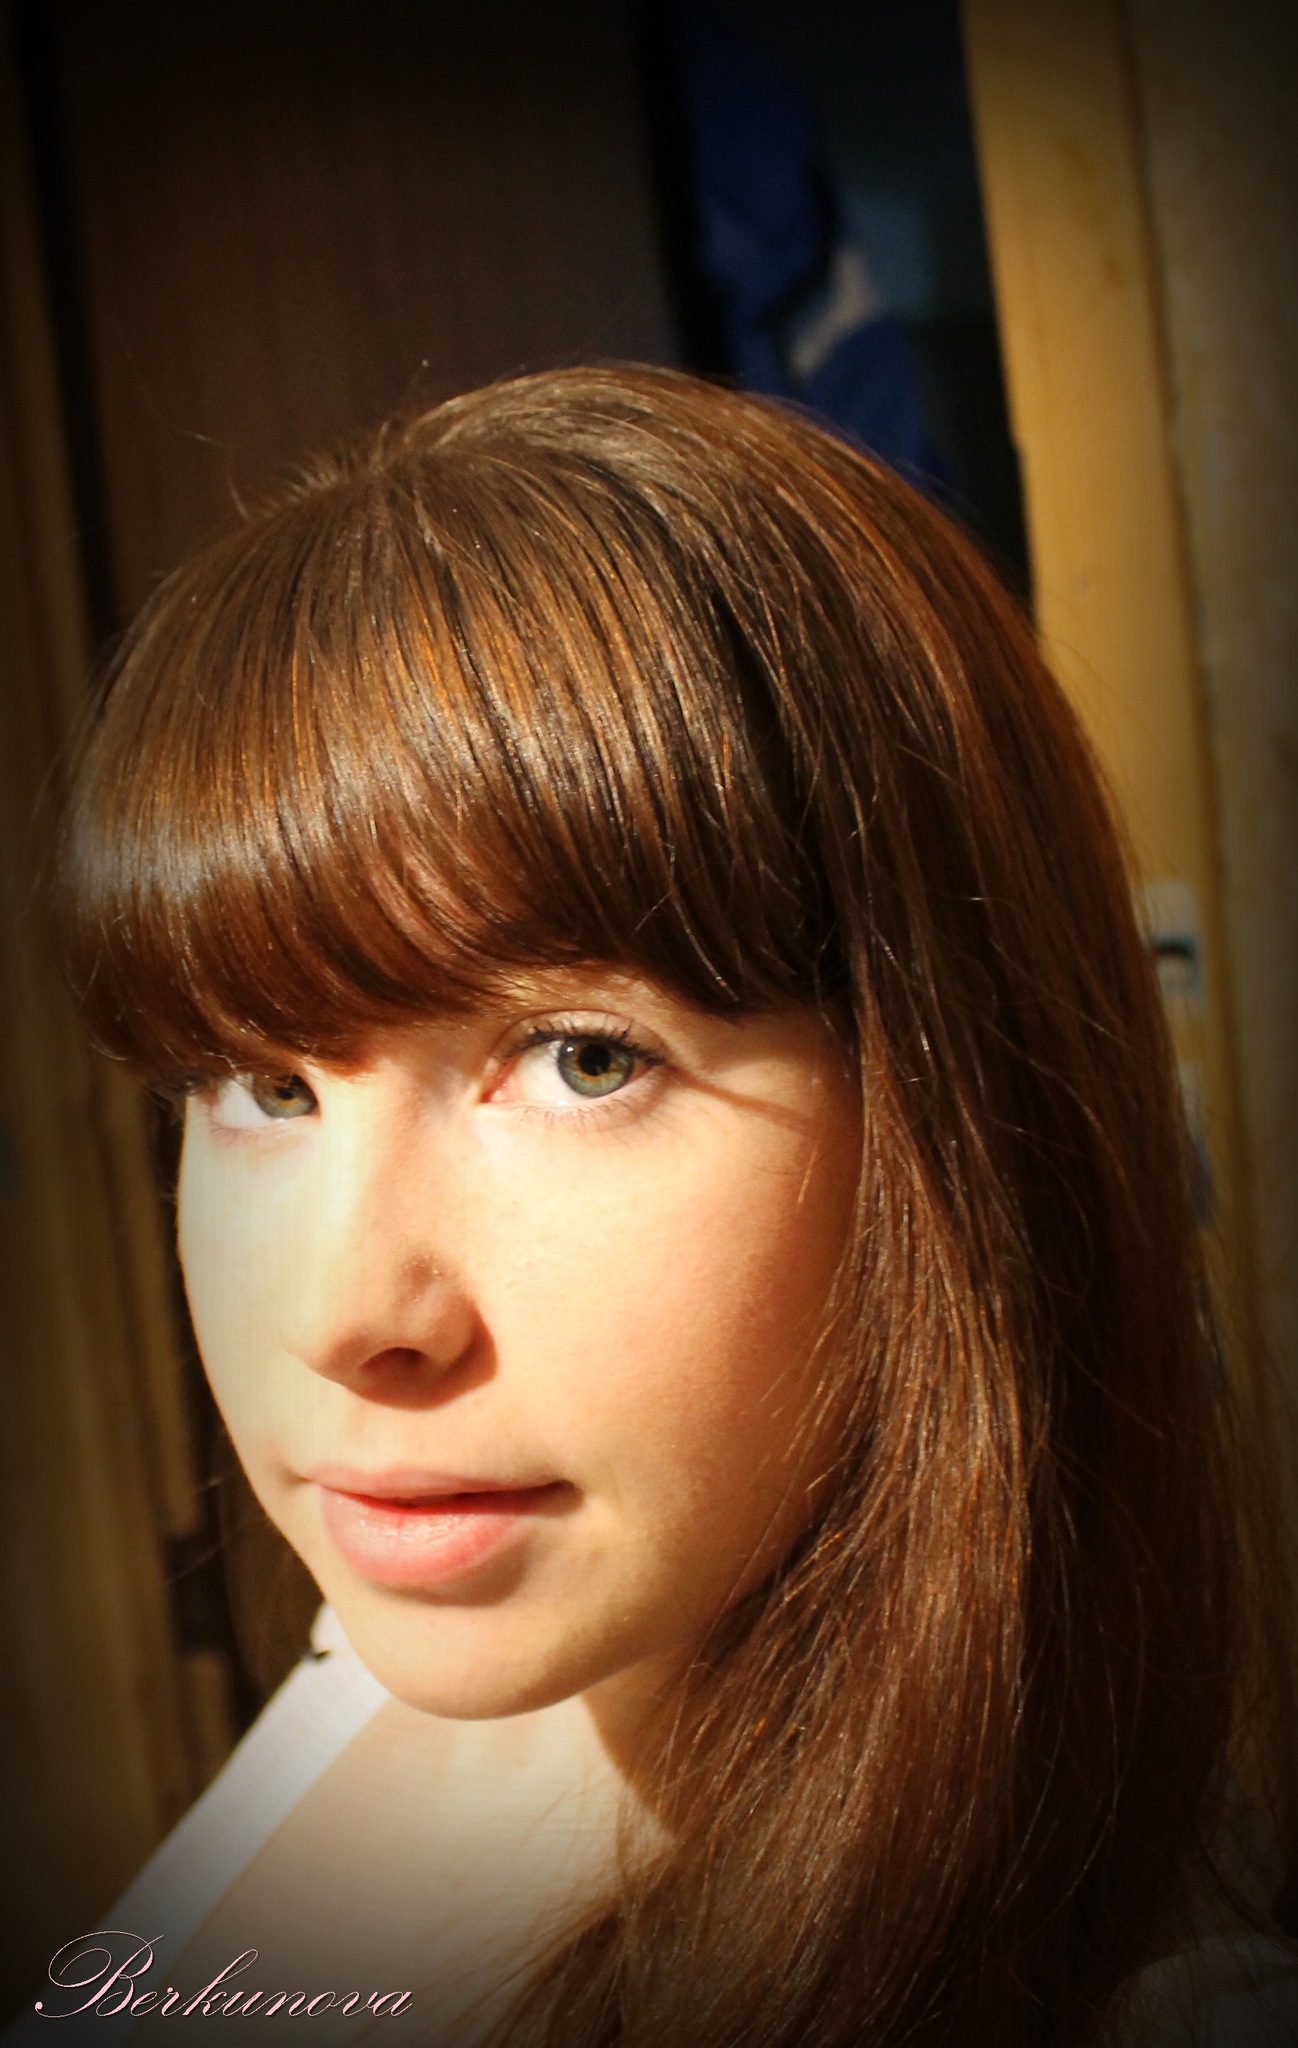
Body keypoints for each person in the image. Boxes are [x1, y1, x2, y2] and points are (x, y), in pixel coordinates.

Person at [42, 366, 1297, 2043]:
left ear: (959, 1118)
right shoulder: (394, 1665)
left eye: (581, 1061)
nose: (344, 1318)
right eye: (264, 1087)